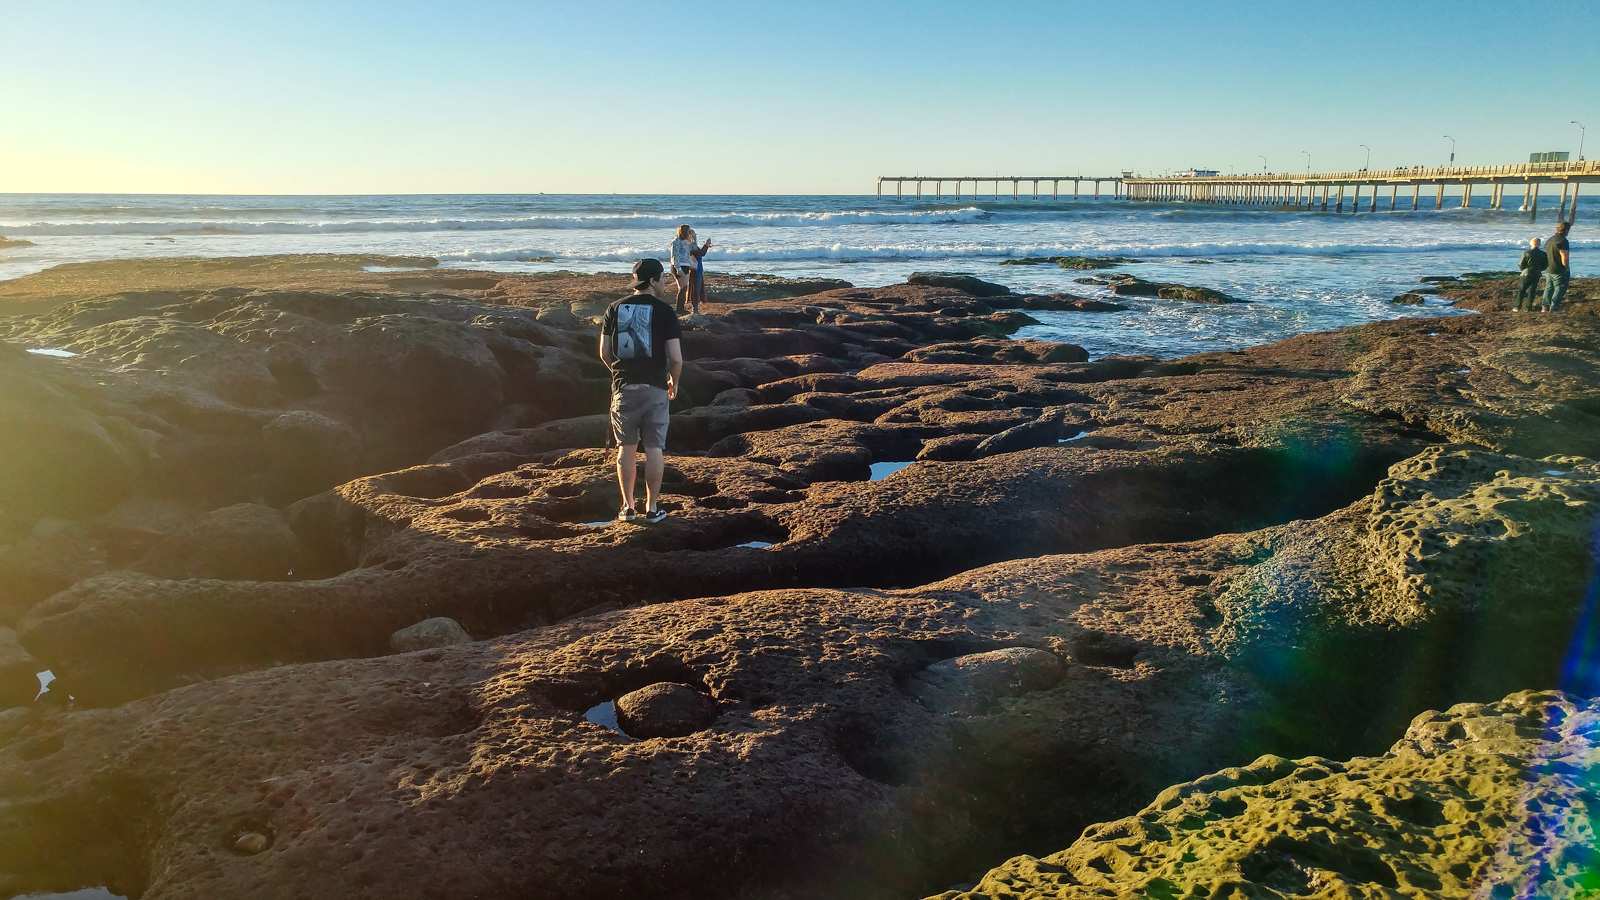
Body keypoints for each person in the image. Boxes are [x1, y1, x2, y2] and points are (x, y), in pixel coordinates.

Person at [599, 258, 683, 523]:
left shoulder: (614, 308)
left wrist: (620, 373)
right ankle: (653, 508)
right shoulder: (665, 311)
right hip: (656, 388)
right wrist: (674, 381)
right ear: (654, 280)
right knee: (654, 448)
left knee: (626, 447)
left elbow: (604, 352)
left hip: (624, 387)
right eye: (663, 278)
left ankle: (628, 508)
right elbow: (677, 359)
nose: (666, 283)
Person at [669, 224, 711, 315]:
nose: (690, 233)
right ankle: (679, 309)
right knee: (683, 288)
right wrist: (678, 269)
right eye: (689, 231)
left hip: (685, 266)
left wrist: (698, 240)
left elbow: (698, 251)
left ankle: (680, 309)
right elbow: (674, 256)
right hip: (678, 266)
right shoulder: (676, 241)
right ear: (684, 232)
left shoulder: (688, 243)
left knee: (683, 288)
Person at [1543, 220, 1572, 312]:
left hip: (1548, 268)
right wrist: (1566, 268)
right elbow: (1564, 256)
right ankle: (1554, 307)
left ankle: (1545, 307)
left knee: (1549, 288)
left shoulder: (1550, 239)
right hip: (1559, 269)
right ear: (1566, 230)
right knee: (1560, 288)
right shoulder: (1563, 241)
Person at [1516, 237, 1547, 312]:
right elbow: (1545, 265)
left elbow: (1521, 264)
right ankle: (1528, 308)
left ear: (1531, 243)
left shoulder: (1526, 252)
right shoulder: (1543, 254)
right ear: (1539, 244)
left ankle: (1517, 307)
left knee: (1522, 290)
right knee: (1532, 291)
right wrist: (1539, 269)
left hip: (1526, 273)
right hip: (1536, 273)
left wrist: (1523, 270)